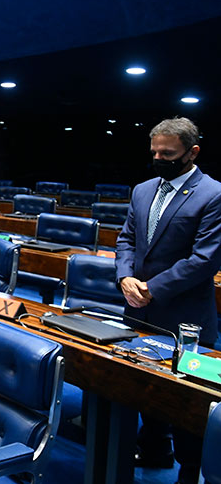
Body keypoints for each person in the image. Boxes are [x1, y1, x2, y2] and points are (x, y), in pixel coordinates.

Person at [115, 117, 221, 484]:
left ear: (192, 152)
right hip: (139, 311)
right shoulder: (143, 189)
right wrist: (125, 276)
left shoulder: (213, 193)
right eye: (154, 151)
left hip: (184, 316)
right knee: (144, 387)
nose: (159, 158)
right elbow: (126, 239)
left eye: (168, 153)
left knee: (185, 404)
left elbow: (204, 260)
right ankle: (154, 448)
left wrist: (151, 288)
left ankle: (189, 472)